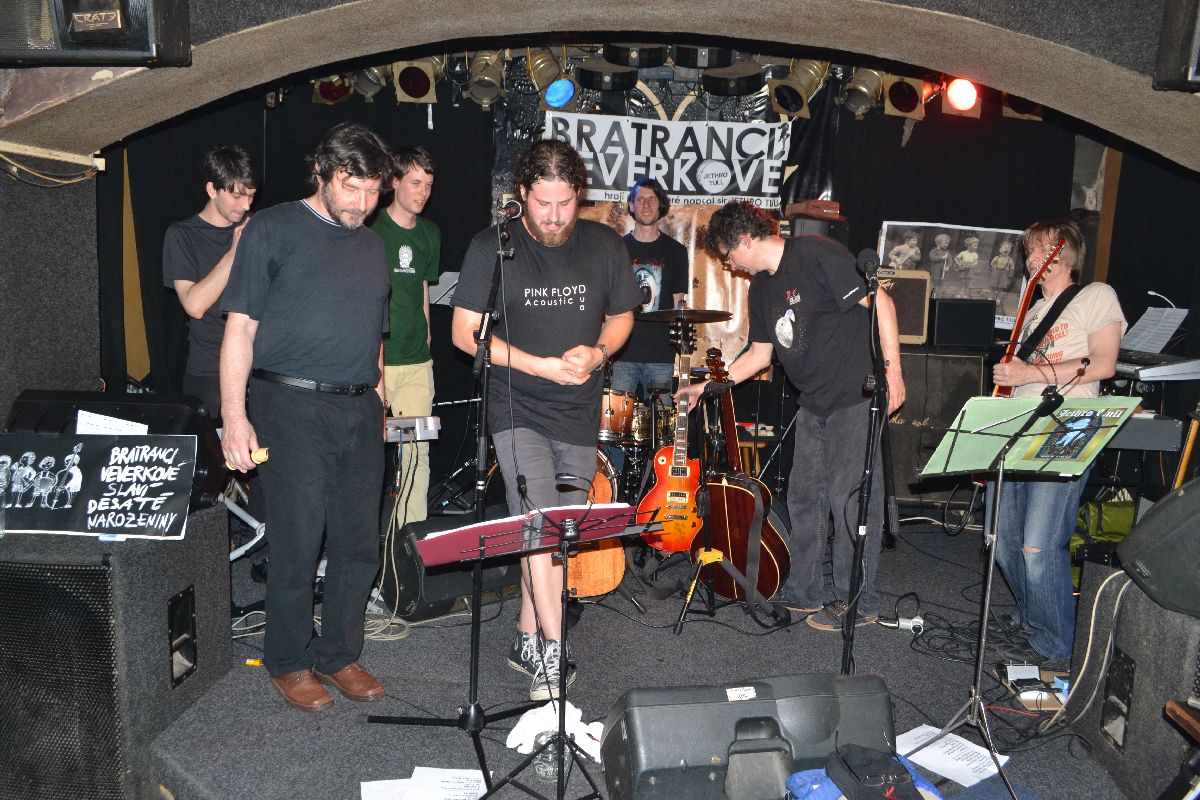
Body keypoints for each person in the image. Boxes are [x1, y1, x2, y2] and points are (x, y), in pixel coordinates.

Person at [451, 140, 641, 701]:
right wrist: (538, 365)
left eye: (565, 203)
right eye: (542, 203)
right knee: (540, 522)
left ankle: (525, 634)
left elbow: (623, 315)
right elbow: (465, 334)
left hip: (577, 409)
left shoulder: (604, 245)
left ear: (579, 194)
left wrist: (598, 353)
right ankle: (554, 660)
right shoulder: (493, 246)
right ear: (521, 195)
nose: (555, 216)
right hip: (516, 405)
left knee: (562, 530)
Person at [220, 122, 393, 712]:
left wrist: (380, 400)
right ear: (321, 172)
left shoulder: (373, 246)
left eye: (373, 192)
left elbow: (374, 336)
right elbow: (239, 330)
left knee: (358, 541)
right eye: (351, 188)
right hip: (288, 402)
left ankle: (339, 653)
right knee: (297, 537)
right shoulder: (271, 228)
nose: (362, 204)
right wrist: (235, 417)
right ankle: (288, 660)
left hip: (358, 407)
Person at [682, 201, 906, 633]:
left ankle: (858, 602)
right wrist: (706, 388)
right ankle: (806, 590)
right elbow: (759, 356)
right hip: (813, 403)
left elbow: (882, 303)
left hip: (853, 396)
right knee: (804, 498)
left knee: (850, 501)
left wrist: (893, 372)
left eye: (728, 255)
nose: (729, 265)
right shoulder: (762, 288)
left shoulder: (817, 254)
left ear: (744, 240)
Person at [989, 218, 1125, 670]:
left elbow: (1104, 364)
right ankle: (1032, 618)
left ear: (1064, 253)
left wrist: (1029, 372)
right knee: (1003, 542)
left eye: (1041, 248)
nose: (1032, 258)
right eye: (1028, 250)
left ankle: (1055, 642)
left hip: (1070, 426)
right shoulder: (1029, 314)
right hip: (1018, 426)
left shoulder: (1096, 295)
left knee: (1038, 545)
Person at [371, 146, 440, 528]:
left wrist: (426, 339)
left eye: (428, 184)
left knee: (416, 454)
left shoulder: (430, 233)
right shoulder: (371, 231)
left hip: (415, 363)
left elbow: (423, 289)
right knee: (366, 455)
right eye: (415, 183)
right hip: (372, 365)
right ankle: (362, 541)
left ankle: (409, 538)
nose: (423, 192)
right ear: (394, 182)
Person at [163, 145, 258, 421]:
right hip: (209, 373)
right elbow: (194, 305)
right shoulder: (182, 235)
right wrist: (235, 252)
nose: (246, 205)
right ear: (212, 190)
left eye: (251, 196)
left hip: (260, 369)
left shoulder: (256, 228)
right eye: (237, 196)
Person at [611, 179, 689, 402]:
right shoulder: (617, 248)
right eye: (640, 199)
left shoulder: (676, 251)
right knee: (617, 420)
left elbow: (679, 304)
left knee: (660, 419)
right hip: (623, 351)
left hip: (660, 353)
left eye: (652, 199)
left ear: (660, 205)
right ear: (631, 205)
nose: (646, 205)